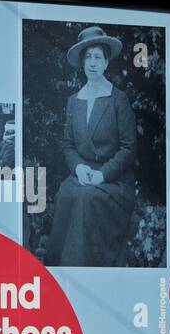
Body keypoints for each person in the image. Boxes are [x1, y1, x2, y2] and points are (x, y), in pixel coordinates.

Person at [44, 26, 137, 266]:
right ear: (82, 63)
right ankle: (60, 271)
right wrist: (78, 169)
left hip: (113, 181)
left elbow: (128, 148)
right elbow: (68, 144)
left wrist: (102, 174)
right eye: (88, 57)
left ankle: (87, 269)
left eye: (98, 57)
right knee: (66, 193)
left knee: (86, 199)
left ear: (106, 62)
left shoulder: (118, 99)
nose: (92, 63)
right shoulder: (73, 101)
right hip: (83, 174)